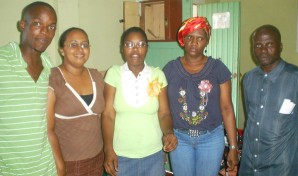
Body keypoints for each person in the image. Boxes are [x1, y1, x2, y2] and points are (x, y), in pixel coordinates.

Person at [163, 16, 239, 176]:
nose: (194, 42)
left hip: (211, 139)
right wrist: (166, 135)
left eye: (200, 38)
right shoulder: (170, 69)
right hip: (180, 139)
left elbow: (226, 108)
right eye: (190, 37)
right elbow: (164, 110)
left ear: (207, 41)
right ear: (183, 39)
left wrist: (233, 147)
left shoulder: (218, 69)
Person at [102, 26, 178, 176]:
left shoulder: (157, 75)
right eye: (129, 44)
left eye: (141, 44)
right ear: (122, 48)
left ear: (147, 48)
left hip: (153, 156)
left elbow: (164, 113)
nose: (135, 49)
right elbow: (107, 115)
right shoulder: (114, 73)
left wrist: (168, 133)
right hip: (121, 156)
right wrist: (108, 150)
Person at [0, 1, 57, 175]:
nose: (45, 32)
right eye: (38, 24)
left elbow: (48, 125)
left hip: (47, 169)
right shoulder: (2, 60)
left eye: (51, 26)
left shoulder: (49, 66)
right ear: (22, 25)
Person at [239, 25, 298, 175]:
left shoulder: (296, 78)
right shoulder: (248, 78)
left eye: (269, 44)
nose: (263, 50)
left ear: (280, 46)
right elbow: (251, 119)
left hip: (282, 166)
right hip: (249, 164)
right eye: (258, 45)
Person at [47, 27, 105, 176]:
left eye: (85, 45)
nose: (80, 49)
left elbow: (100, 119)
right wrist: (60, 167)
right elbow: (48, 130)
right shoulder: (53, 79)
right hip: (68, 164)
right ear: (62, 50)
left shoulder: (96, 76)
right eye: (73, 44)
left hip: (97, 158)